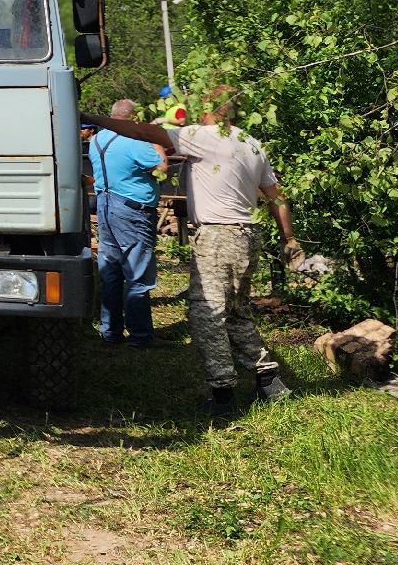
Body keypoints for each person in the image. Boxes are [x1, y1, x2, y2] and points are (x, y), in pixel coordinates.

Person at [84, 87, 304, 416]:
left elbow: (143, 131)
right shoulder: (250, 143)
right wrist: (289, 238)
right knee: (235, 312)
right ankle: (269, 380)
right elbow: (276, 196)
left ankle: (223, 396)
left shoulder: (204, 136)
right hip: (247, 236)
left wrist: (90, 118)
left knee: (207, 316)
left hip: (217, 237)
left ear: (210, 109)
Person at [89, 99, 168, 347]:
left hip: (105, 206)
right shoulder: (134, 141)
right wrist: (153, 135)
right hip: (132, 211)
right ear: (134, 119)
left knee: (110, 272)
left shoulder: (97, 140)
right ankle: (140, 337)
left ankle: (110, 332)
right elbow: (162, 167)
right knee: (137, 274)